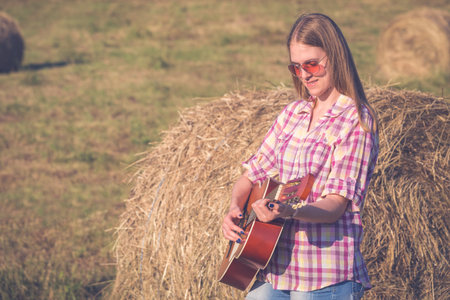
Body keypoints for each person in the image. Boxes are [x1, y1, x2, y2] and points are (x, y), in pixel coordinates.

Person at [221, 13, 379, 300]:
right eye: (296, 67)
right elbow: (251, 175)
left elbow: (335, 206)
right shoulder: (293, 114)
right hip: (273, 265)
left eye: (312, 64)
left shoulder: (355, 120)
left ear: (335, 57)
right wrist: (234, 207)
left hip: (324, 274)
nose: (305, 74)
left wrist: (290, 210)